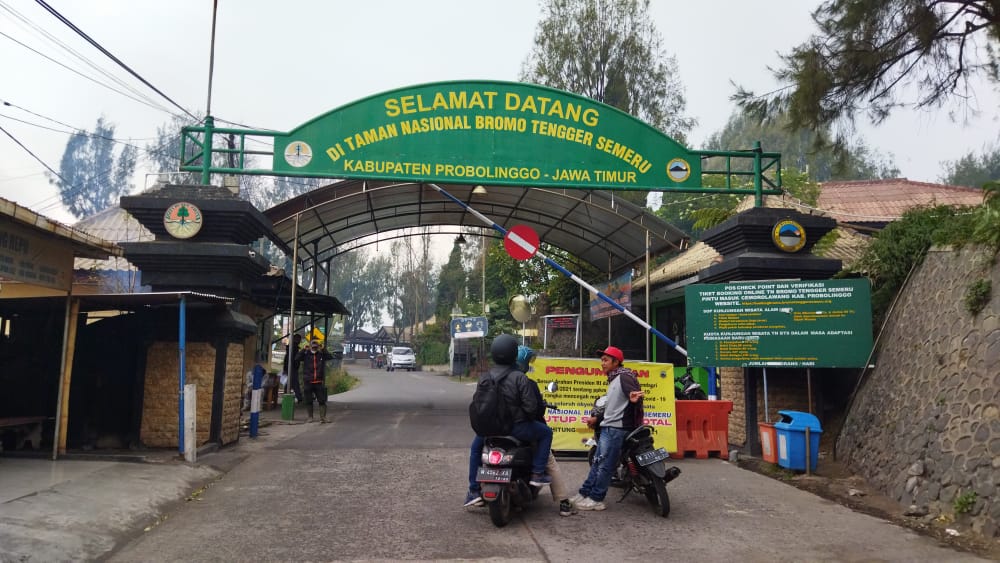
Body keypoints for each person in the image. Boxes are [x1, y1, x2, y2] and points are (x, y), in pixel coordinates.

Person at [464, 337, 562, 512]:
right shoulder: (519, 378)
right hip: (515, 428)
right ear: (513, 354)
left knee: (475, 449)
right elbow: (532, 409)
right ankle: (537, 473)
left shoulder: (484, 377)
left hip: (489, 429)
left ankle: (473, 491)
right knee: (546, 432)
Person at [572, 345, 645, 511]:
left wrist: (634, 397)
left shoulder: (625, 377)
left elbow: (634, 396)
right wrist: (597, 418)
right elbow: (613, 407)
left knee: (605, 465)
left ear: (616, 362)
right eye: (601, 360)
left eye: (605, 360)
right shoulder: (614, 379)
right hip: (608, 427)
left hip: (617, 429)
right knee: (598, 463)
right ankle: (585, 493)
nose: (602, 363)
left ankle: (596, 498)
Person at [296, 338, 333, 423]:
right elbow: (296, 358)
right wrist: (303, 350)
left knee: (322, 400)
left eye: (316, 345)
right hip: (308, 381)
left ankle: (323, 417)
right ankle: (310, 417)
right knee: (308, 400)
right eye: (313, 345)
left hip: (318, 382)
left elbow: (330, 357)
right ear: (310, 346)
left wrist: (323, 349)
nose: (315, 347)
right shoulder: (306, 354)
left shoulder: (321, 354)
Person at [284, 334, 303, 403]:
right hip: (292, 367)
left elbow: (286, 358)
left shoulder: (291, 347)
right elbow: (291, 359)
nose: (299, 341)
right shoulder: (293, 348)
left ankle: (286, 396)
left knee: (289, 383)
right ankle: (299, 397)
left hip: (291, 367)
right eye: (298, 339)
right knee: (294, 383)